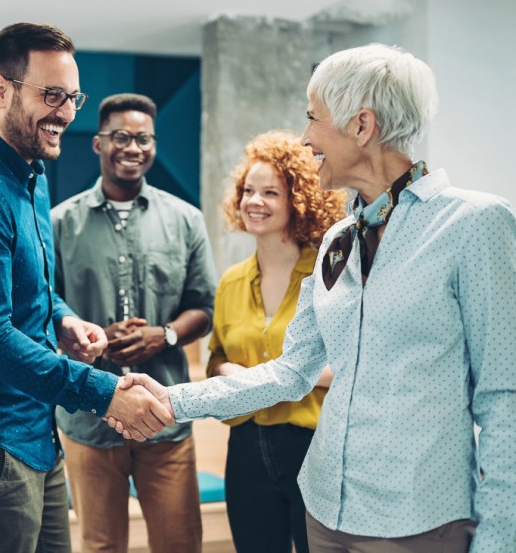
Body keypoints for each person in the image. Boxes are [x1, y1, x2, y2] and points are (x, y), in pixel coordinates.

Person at [111, 44, 516, 552]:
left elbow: (505, 398)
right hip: (323, 511)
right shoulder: (337, 239)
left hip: (417, 520)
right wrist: (173, 399)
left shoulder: (475, 224)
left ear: (362, 125)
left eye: (312, 118)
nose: (305, 138)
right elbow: (290, 370)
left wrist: (499, 540)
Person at [0, 23, 174, 553]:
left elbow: (32, 292)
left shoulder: (30, 178)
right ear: (1, 90)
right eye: (50, 95)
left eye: (72, 97)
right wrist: (102, 393)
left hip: (35, 428)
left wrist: (62, 319)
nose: (65, 112)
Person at [51, 93, 217, 553]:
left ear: (154, 144)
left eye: (143, 138)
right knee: (101, 546)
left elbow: (204, 306)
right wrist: (90, 338)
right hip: (89, 416)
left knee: (180, 543)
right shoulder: (59, 223)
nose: (133, 147)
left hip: (165, 413)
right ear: (98, 143)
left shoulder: (186, 220)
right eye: (121, 136)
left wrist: (162, 335)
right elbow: (44, 306)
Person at [208, 130, 345, 553]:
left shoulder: (331, 277)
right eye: (248, 190)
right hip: (246, 446)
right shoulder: (231, 281)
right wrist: (227, 372)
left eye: (270, 192)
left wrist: (278, 378)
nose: (254, 201)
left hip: (312, 444)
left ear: (299, 200)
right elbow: (216, 358)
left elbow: (353, 366)